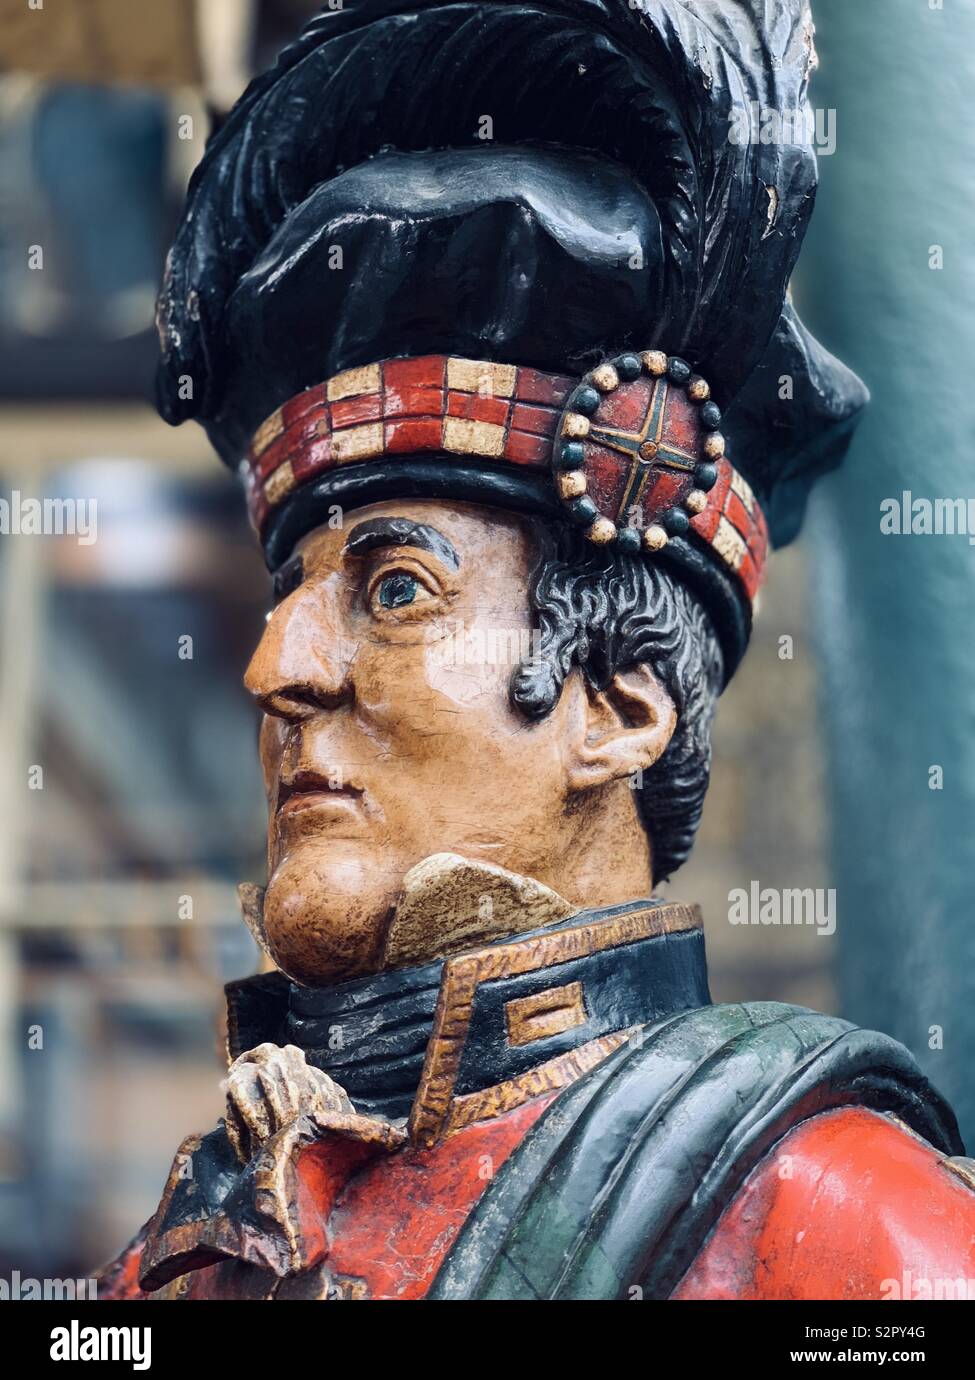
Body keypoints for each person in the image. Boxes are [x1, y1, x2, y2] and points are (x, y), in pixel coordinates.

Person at [100, 0, 975, 1300]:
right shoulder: (224, 1229)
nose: (275, 663)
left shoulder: (852, 1232)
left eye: (394, 587)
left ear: (620, 705)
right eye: (291, 586)